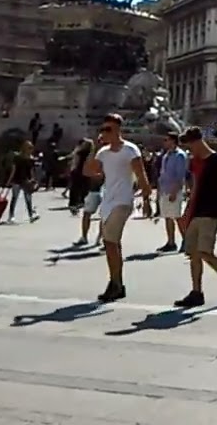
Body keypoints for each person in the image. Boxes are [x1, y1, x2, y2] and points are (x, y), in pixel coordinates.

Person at [82, 114, 152, 303]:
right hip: (107, 201)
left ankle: (115, 283)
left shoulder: (130, 150)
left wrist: (147, 199)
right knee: (110, 244)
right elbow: (88, 171)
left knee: (111, 242)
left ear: (118, 130)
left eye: (109, 129)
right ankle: (117, 283)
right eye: (103, 129)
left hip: (123, 201)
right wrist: (95, 148)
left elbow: (141, 175)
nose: (105, 133)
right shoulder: (102, 152)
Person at [175, 127, 217, 307]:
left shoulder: (216, 160)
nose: (189, 149)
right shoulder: (194, 162)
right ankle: (196, 292)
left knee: (205, 251)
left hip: (211, 211)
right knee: (193, 254)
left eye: (190, 145)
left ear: (197, 141)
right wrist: (187, 211)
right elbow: (194, 186)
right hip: (196, 211)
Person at [157, 132, 189, 252]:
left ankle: (186, 240)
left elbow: (180, 175)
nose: (165, 142)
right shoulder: (166, 155)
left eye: (167, 140)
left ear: (173, 141)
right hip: (165, 188)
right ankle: (171, 242)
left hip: (174, 189)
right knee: (167, 216)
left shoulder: (179, 155)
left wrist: (175, 191)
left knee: (178, 216)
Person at [5, 141, 39, 223]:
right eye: (29, 148)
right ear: (24, 148)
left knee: (28, 199)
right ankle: (11, 216)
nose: (31, 150)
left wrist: (33, 180)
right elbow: (14, 169)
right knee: (14, 198)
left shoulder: (31, 159)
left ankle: (31, 216)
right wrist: (9, 180)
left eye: (31, 148)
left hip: (26, 181)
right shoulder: (17, 157)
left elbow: (31, 171)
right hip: (17, 180)